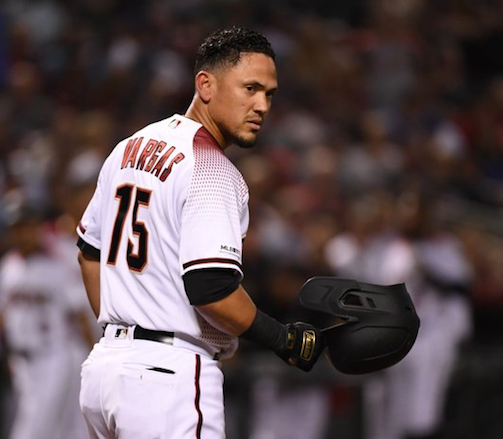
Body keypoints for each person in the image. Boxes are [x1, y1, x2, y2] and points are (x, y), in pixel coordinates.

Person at [76, 26, 325, 439]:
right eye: (250, 88)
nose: (262, 105)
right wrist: (283, 340)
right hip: (167, 378)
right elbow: (212, 288)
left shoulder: (130, 146)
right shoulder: (212, 169)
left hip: (105, 370)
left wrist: (124, 326)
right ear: (205, 85)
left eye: (270, 93)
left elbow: (88, 252)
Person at [0, 198, 92, 439]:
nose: (22, 233)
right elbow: (4, 317)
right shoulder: (8, 267)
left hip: (55, 355)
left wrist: (93, 355)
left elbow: (80, 314)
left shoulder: (58, 261)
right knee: (58, 432)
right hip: (21, 363)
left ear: (38, 227)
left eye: (27, 226)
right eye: (16, 228)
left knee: (31, 431)